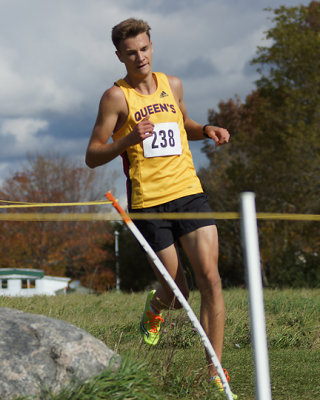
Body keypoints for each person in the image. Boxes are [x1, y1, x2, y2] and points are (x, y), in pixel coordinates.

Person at [86, 18, 237, 399]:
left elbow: (182, 123)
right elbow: (92, 155)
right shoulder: (116, 98)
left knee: (211, 280)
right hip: (149, 202)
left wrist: (207, 130)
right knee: (177, 292)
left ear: (152, 46)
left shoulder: (174, 85)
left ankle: (215, 371)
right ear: (119, 55)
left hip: (189, 191)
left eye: (145, 48)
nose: (140, 57)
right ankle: (156, 307)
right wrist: (128, 139)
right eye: (131, 52)